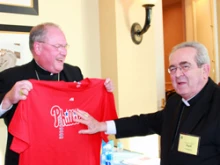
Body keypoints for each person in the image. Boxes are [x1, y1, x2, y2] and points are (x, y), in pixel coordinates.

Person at [73, 41, 220, 165]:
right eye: (173, 68)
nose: (177, 74)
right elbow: (144, 123)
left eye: (185, 66)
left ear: (205, 70)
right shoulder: (175, 102)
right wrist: (101, 126)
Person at [0, 22, 113, 165]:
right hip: (26, 159)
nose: (64, 52)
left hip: (66, 158)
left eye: (65, 46)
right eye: (58, 46)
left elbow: (84, 111)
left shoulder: (73, 73)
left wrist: (103, 90)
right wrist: (8, 99)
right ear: (38, 47)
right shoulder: (11, 77)